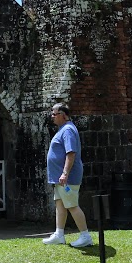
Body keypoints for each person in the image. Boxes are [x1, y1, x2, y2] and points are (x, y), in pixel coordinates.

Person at [40, 103, 91, 248]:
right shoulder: (63, 129)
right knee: (60, 204)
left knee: (72, 205)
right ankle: (59, 234)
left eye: (54, 114)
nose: (52, 117)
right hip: (60, 178)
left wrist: (64, 173)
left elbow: (71, 153)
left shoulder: (68, 130)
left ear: (63, 115)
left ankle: (85, 236)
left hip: (66, 178)